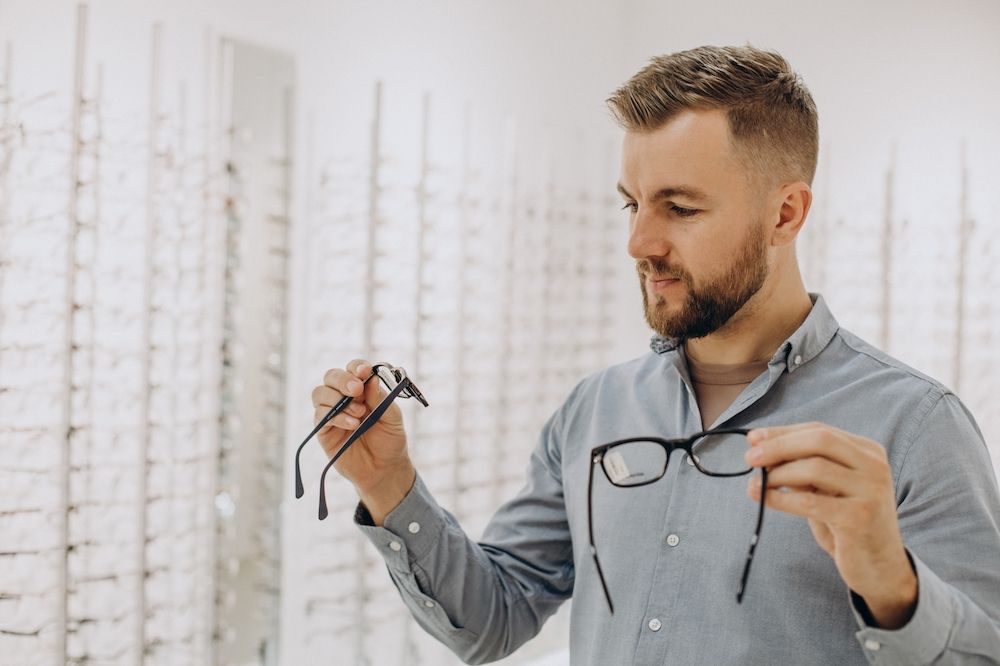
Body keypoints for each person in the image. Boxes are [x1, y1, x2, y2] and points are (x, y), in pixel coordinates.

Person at [309, 45, 1000, 664]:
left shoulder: (915, 425)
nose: (640, 242)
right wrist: (390, 485)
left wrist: (892, 582)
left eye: (680, 207)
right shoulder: (594, 408)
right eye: (631, 204)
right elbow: (492, 622)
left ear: (785, 214)